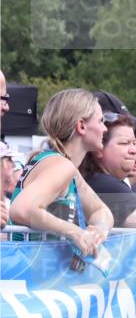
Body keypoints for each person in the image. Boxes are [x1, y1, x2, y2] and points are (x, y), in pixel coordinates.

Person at [8, 88, 114, 260]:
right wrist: (74, 232)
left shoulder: (65, 168)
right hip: (29, 274)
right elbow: (21, 209)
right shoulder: (61, 165)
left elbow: (101, 210)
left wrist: (98, 231)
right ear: (81, 126)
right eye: (101, 121)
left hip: (34, 274)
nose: (105, 129)